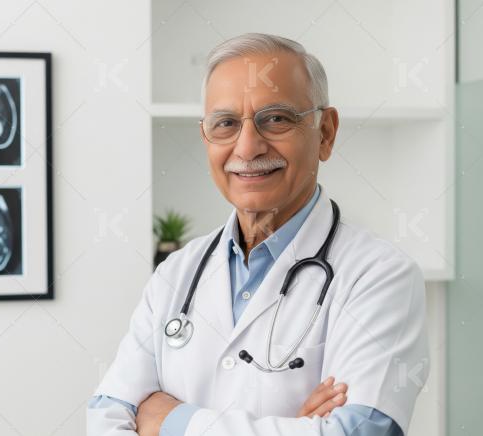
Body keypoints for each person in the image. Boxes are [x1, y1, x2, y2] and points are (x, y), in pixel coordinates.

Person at [87, 33, 429, 436]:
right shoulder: (176, 274)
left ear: (326, 133)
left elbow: (357, 432)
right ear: (206, 138)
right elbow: (107, 415)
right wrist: (294, 428)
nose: (247, 147)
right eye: (226, 123)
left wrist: (173, 420)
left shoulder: (380, 277)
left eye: (277, 118)